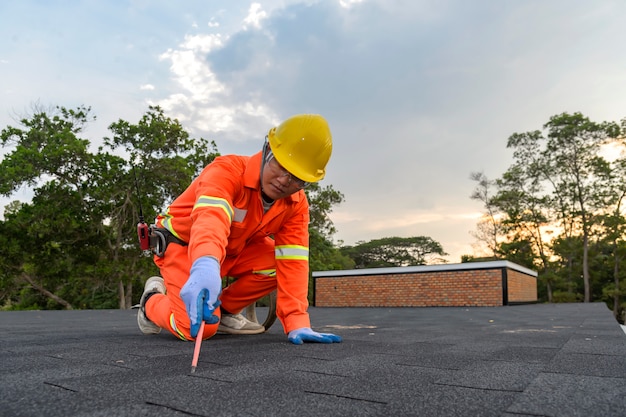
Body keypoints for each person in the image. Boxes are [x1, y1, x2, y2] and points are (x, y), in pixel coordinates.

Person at [136, 114, 342, 346]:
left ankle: (223, 311)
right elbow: (210, 219)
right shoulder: (226, 171)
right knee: (193, 329)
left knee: (277, 263)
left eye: (298, 178)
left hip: (233, 251)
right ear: (266, 150)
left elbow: (293, 261)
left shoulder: (296, 203)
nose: (285, 181)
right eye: (281, 166)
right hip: (184, 246)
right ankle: (150, 302)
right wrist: (205, 263)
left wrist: (297, 320)